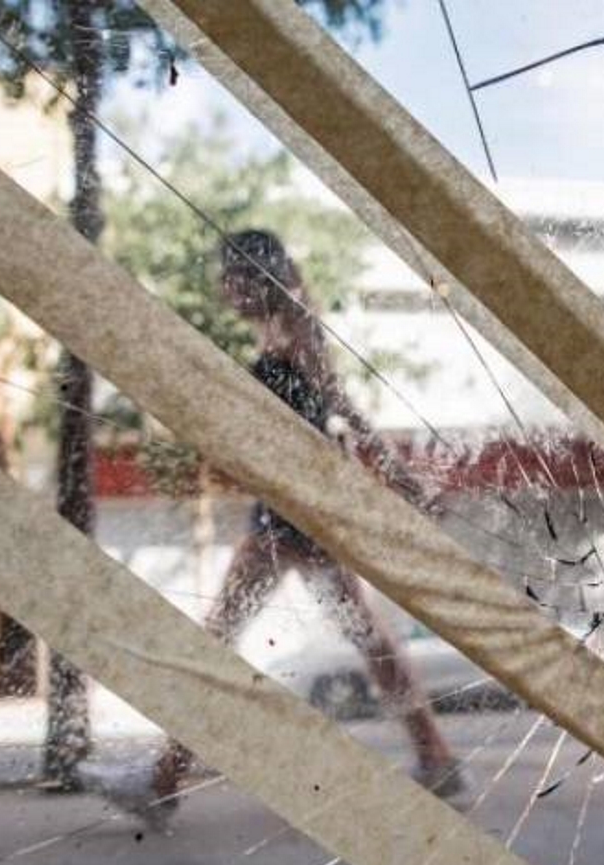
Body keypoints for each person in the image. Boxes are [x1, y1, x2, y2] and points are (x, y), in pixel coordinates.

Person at [147, 230, 470, 819]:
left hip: (296, 509)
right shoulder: (281, 331)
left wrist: (400, 479)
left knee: (220, 635)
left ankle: (162, 781)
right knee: (362, 637)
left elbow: (340, 408)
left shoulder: (297, 329)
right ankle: (435, 756)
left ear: (254, 276)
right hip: (293, 502)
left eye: (230, 275)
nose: (223, 287)